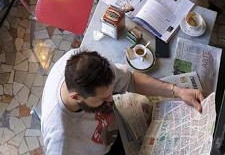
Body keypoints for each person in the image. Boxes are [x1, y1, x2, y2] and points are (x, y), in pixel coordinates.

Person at [41, 49, 204, 155]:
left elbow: (130, 80)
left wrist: (178, 91)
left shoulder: (87, 64)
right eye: (103, 99)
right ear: (76, 97)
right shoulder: (62, 142)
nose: (112, 100)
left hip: (112, 133)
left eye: (111, 92)